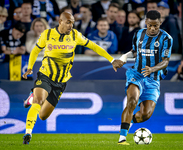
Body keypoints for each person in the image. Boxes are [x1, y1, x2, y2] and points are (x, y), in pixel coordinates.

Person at [22, 12, 123, 144]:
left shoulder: (76, 35)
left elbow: (94, 46)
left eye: (73, 22)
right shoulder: (47, 34)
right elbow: (35, 50)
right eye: (68, 22)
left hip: (61, 81)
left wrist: (111, 60)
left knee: (43, 116)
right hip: (45, 75)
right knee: (38, 100)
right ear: (60, 21)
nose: (71, 25)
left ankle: (31, 97)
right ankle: (28, 133)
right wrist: (30, 67)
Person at [117, 10, 173, 145]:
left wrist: (152, 69)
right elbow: (134, 52)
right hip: (136, 74)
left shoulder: (166, 39)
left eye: (156, 26)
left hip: (153, 79)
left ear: (160, 23)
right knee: (132, 101)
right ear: (146, 22)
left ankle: (129, 121)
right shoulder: (138, 33)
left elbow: (166, 61)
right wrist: (123, 57)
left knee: (145, 115)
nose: (153, 28)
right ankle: (122, 139)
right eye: (150, 25)